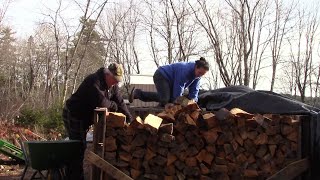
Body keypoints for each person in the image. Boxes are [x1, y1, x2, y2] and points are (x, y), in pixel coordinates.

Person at [62, 63, 133, 180]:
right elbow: (101, 103)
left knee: (80, 148)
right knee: (77, 148)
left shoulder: (113, 85)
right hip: (74, 115)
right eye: (114, 80)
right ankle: (73, 177)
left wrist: (130, 119)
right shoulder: (94, 81)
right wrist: (113, 105)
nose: (116, 83)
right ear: (107, 74)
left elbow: (120, 101)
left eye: (118, 81)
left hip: (84, 117)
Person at [129, 57, 209, 106]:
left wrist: (193, 102)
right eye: (199, 73)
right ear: (196, 67)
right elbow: (179, 87)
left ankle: (162, 106)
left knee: (170, 99)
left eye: (202, 74)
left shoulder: (197, 76)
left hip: (171, 81)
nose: (200, 75)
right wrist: (177, 101)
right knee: (165, 99)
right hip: (162, 75)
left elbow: (195, 90)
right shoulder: (185, 70)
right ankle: (138, 93)